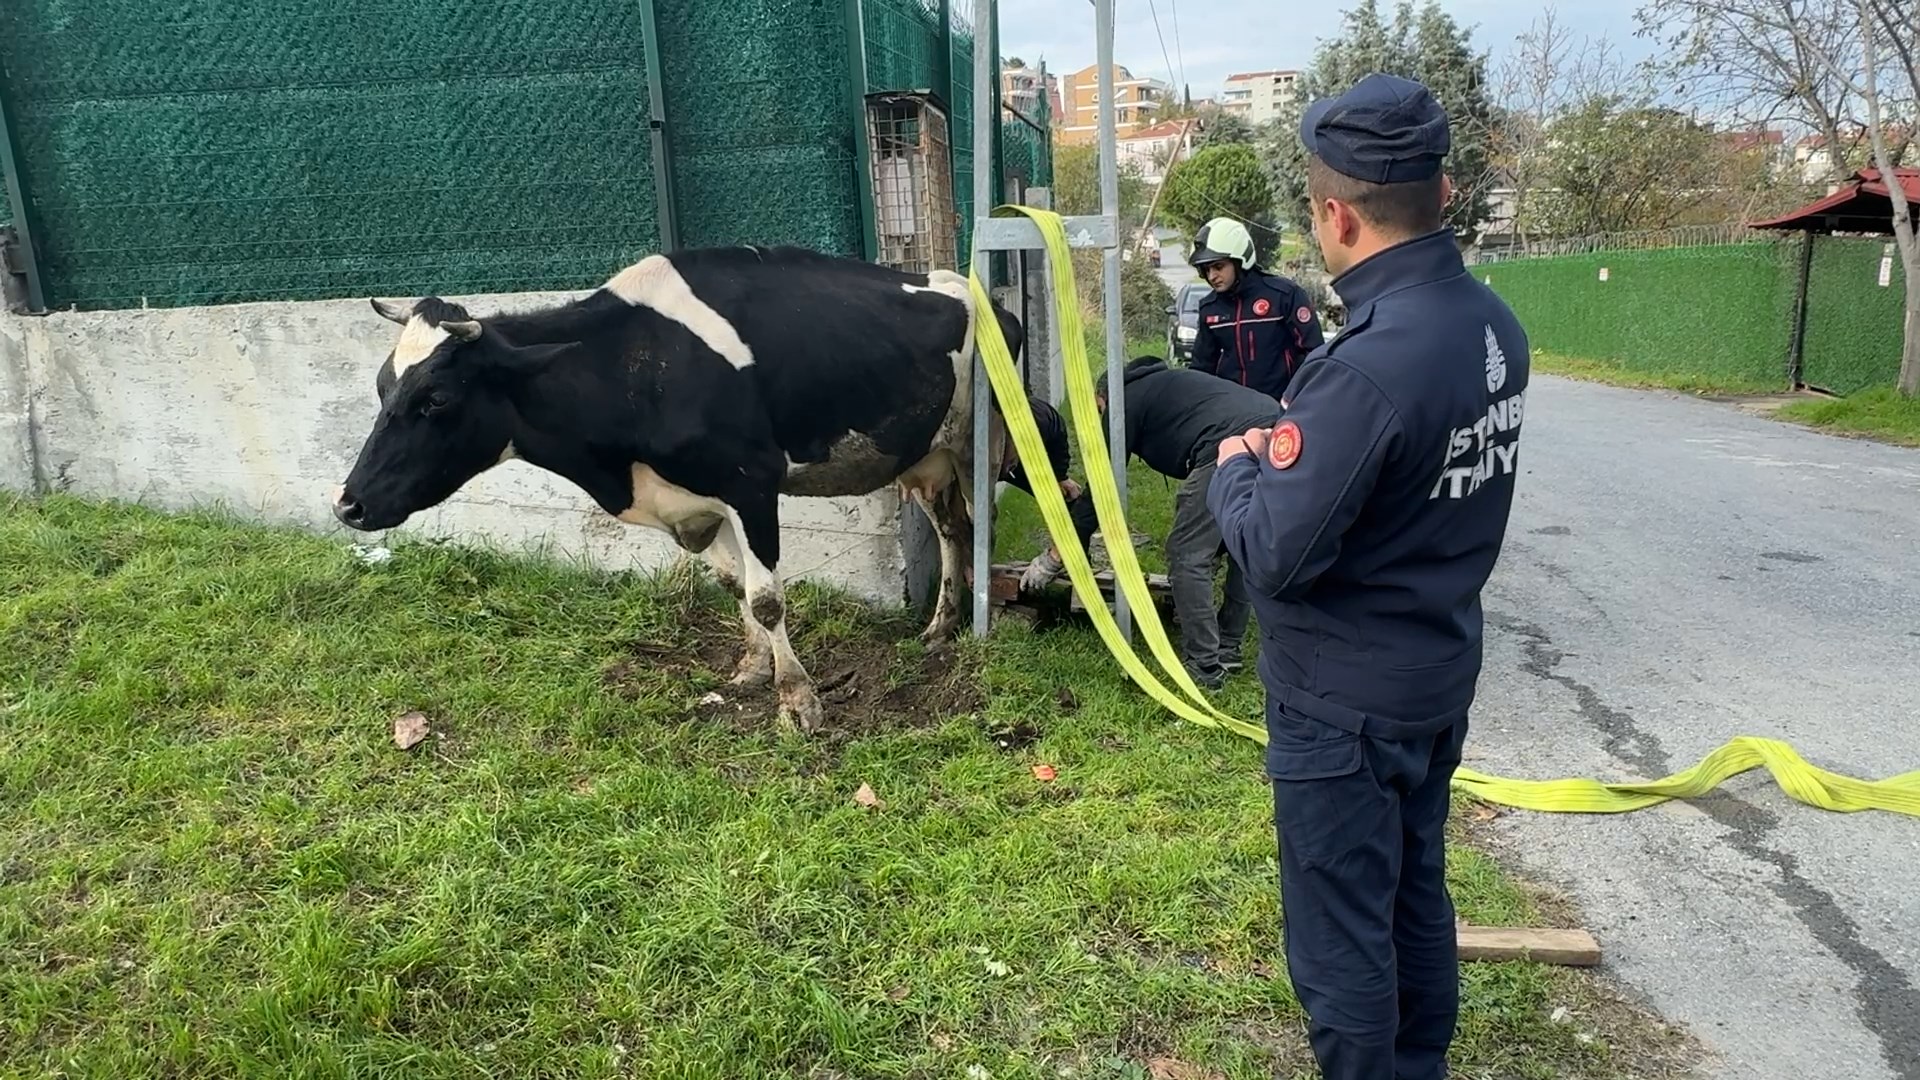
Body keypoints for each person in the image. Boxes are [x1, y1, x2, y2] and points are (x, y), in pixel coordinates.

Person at [1205, 73, 1531, 1080]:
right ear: (1443, 193)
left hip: (1343, 714)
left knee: (1342, 935)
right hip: (1432, 681)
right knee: (1412, 895)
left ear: (1334, 215)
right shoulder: (1492, 328)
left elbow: (1275, 556)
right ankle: (1418, 1063)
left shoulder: (1366, 370)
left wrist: (1239, 472)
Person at [1022, 357, 1281, 688]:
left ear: (1103, 398)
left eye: (1098, 409)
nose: (1101, 418)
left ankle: (1204, 666)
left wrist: (1055, 557)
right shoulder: (1167, 387)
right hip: (1276, 433)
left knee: (1187, 554)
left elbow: (1099, 493)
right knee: (1241, 542)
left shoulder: (1122, 404)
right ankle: (1228, 647)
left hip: (1228, 442)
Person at [1187, 216, 1325, 402]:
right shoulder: (1210, 309)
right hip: (1232, 413)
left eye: (1218, 266)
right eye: (1205, 269)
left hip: (1283, 408)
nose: (1212, 276)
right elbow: (1201, 369)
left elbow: (1314, 352)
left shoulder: (1284, 295)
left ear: (1240, 260)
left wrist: (1295, 398)